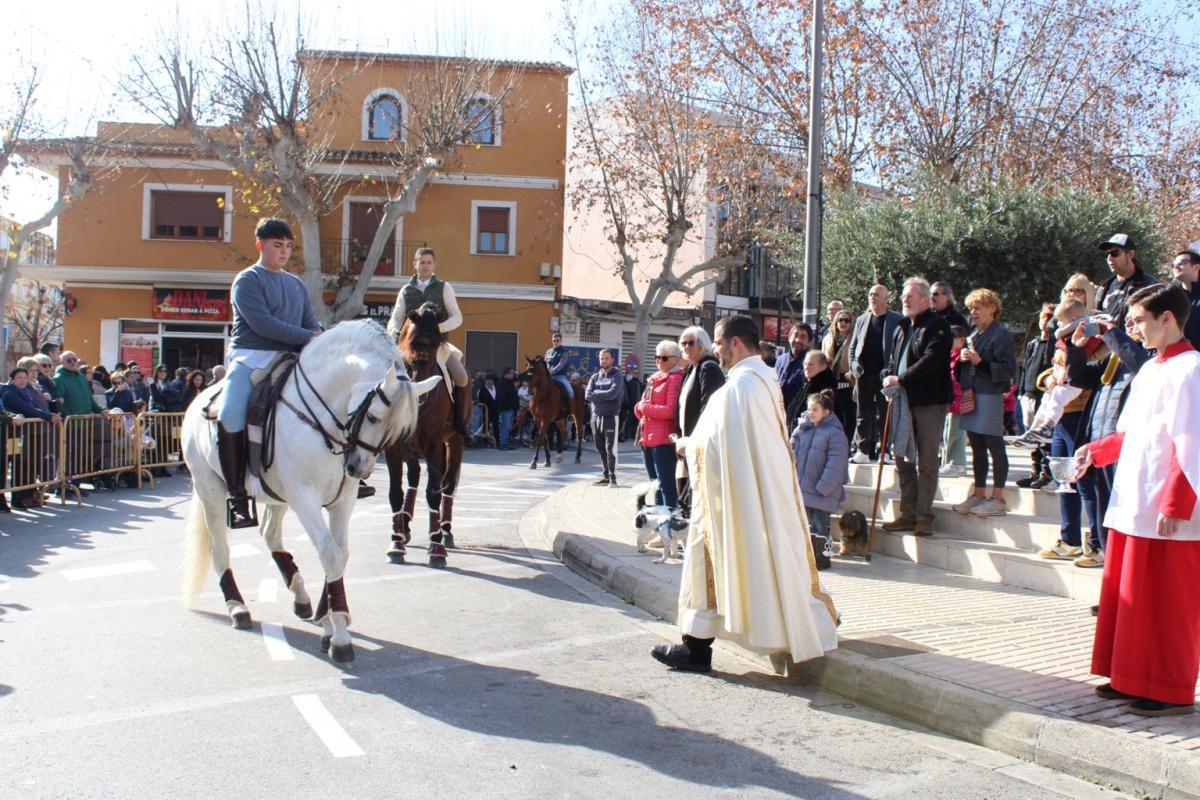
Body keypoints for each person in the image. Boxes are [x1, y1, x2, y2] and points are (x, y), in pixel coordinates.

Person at [651, 315, 838, 673]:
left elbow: (721, 446)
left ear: (736, 342)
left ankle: (695, 650)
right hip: (751, 492)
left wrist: (688, 446)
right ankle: (697, 643)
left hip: (733, 500)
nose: (716, 350)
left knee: (706, 562)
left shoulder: (739, 388)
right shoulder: (763, 378)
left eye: (719, 342)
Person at [1074, 283, 1200, 717]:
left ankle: (1168, 685)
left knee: (1167, 601)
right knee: (1130, 594)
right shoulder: (1149, 369)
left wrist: (1176, 503)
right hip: (1134, 500)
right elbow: (1132, 434)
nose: (1133, 329)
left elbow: (1194, 442)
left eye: (1141, 320)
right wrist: (1097, 452)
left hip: (1167, 505)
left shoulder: (1191, 369)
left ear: (1168, 318)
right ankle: (1129, 674)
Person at [220, 218, 321, 528]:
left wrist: (318, 337)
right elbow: (264, 325)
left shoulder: (296, 284)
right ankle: (238, 496)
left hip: (292, 356)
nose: (284, 252)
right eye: (278, 245)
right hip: (252, 357)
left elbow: (310, 322)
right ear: (259, 244)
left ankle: (341, 475)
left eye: (289, 246)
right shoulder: (247, 280)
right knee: (231, 413)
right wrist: (310, 337)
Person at [880, 278, 953, 537]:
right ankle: (908, 513)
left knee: (927, 460)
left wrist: (901, 378)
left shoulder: (938, 326)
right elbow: (891, 360)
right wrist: (888, 376)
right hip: (902, 401)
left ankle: (924, 516)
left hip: (928, 402)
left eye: (910, 296)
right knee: (902, 458)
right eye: (903, 296)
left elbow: (931, 359)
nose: (905, 300)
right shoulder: (901, 327)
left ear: (925, 299)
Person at [386, 247, 472, 437]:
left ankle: (459, 422)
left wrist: (439, 328)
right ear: (415, 264)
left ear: (434, 265)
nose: (425, 266)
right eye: (421, 262)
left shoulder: (444, 287)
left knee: (462, 377)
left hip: (437, 347)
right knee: (384, 376)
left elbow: (457, 317)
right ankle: (384, 422)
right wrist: (394, 331)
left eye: (428, 262)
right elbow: (396, 317)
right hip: (409, 349)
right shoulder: (406, 290)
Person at [952, 289, 1017, 517]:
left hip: (990, 395)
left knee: (994, 445)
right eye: (971, 308)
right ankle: (979, 494)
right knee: (977, 446)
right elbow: (966, 369)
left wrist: (980, 362)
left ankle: (998, 497)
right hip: (973, 394)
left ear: (992, 308)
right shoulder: (975, 335)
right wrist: (961, 361)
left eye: (979, 307)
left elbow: (1008, 369)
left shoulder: (1000, 334)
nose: (974, 311)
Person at [1014, 297, 1105, 446]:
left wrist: (1067, 359)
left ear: (1074, 319)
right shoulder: (1065, 337)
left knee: (1057, 397)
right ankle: (1035, 430)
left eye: (1061, 322)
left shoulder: (1086, 332)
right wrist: (1051, 375)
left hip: (1074, 384)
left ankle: (1048, 425)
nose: (1058, 325)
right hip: (1059, 379)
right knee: (1046, 401)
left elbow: (1086, 356)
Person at [790, 389, 849, 570]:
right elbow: (791, 453)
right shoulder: (803, 430)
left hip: (822, 490)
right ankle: (807, 557)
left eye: (815, 409)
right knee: (806, 524)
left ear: (827, 412)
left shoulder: (835, 434)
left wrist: (823, 487)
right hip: (804, 488)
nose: (811, 413)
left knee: (820, 524)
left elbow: (836, 464)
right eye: (809, 409)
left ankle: (822, 558)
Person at [849, 284, 902, 463]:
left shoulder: (896, 319)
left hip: (885, 375)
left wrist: (893, 372)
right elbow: (853, 347)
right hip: (863, 374)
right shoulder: (862, 319)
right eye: (871, 293)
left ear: (885, 298)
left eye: (877, 294)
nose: (872, 297)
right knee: (862, 414)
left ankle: (884, 451)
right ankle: (862, 451)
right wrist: (853, 365)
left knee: (886, 413)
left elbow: (899, 346)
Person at [677, 325, 725, 513]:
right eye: (683, 343)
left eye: (691, 343)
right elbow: (681, 406)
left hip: (701, 444)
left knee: (702, 496)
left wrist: (693, 440)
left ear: (702, 344)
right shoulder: (692, 369)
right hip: (687, 442)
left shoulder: (708, 368)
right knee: (688, 492)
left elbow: (708, 410)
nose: (686, 347)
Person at [634, 340, 684, 511]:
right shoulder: (654, 378)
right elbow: (640, 405)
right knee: (655, 487)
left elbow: (670, 411)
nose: (658, 361)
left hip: (663, 441)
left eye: (663, 358)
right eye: (656, 357)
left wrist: (643, 408)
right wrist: (640, 408)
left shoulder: (675, 378)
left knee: (667, 489)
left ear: (676, 359)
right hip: (647, 440)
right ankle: (659, 528)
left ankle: (670, 528)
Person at [1014, 304, 1057, 488]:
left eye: (1049, 317)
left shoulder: (1054, 344)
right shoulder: (1033, 343)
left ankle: (1046, 473)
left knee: (1044, 438)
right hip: (1029, 395)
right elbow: (1026, 369)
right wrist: (1022, 391)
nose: (1044, 321)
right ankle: (1034, 470)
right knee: (1031, 436)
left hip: (1044, 395)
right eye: (1043, 317)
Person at [1095, 234, 1158, 327]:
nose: (1109, 258)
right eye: (1107, 254)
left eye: (1115, 253)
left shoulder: (1148, 286)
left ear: (1130, 254)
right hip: (1106, 340)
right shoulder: (1104, 288)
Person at [584, 349, 623, 486]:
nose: (603, 361)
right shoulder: (595, 377)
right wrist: (602, 394)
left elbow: (613, 394)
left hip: (610, 417)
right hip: (595, 417)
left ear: (612, 359)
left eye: (606, 358)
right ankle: (605, 476)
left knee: (610, 449)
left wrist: (597, 393)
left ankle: (613, 478)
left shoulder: (617, 376)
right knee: (600, 449)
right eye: (601, 358)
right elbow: (587, 395)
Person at [939, 325, 970, 478]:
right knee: (947, 433)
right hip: (949, 400)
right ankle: (950, 462)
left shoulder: (962, 356)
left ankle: (956, 463)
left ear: (961, 339)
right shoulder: (949, 355)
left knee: (955, 433)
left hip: (958, 400)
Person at [822, 309, 856, 442]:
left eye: (847, 320)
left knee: (849, 414)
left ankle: (846, 443)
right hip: (832, 381)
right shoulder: (828, 338)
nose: (843, 323)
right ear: (836, 322)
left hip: (848, 380)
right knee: (833, 413)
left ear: (851, 323)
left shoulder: (855, 338)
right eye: (840, 320)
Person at [775, 323, 813, 425]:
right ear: (789, 337)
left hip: (801, 422)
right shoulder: (779, 360)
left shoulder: (813, 362)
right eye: (795, 335)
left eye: (803, 337)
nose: (798, 340)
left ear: (809, 342)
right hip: (778, 418)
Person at [1170, 249, 1200, 349]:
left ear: (1196, 267)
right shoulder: (1171, 296)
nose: (1176, 267)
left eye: (1182, 263)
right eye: (1173, 265)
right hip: (1182, 356)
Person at [543, 333, 574, 402]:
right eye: (554, 340)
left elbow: (560, 365)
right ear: (552, 341)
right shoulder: (548, 352)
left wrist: (550, 372)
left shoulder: (564, 352)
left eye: (557, 340)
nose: (556, 342)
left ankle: (571, 411)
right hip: (548, 377)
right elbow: (544, 363)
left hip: (560, 376)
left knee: (570, 391)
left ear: (561, 341)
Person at [495, 367, 519, 451]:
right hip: (506, 408)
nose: (513, 375)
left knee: (508, 426)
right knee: (505, 426)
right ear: (507, 374)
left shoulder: (509, 382)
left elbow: (516, 379)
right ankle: (503, 444)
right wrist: (508, 406)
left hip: (510, 408)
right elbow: (502, 397)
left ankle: (506, 443)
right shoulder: (502, 383)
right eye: (511, 373)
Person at [475, 373, 501, 447]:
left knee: (496, 426)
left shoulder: (496, 388)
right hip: (486, 411)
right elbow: (481, 401)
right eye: (488, 380)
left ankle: (497, 441)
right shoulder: (482, 390)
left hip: (496, 411)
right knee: (486, 426)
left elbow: (498, 398)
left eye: (491, 380)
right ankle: (485, 441)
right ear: (485, 381)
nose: (489, 382)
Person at [620, 365, 643, 442]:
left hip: (639, 407)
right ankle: (626, 435)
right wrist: (628, 404)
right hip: (630, 406)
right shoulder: (629, 383)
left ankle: (634, 435)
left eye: (637, 373)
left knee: (636, 422)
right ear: (633, 374)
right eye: (635, 373)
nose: (636, 374)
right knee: (628, 421)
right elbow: (627, 394)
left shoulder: (640, 384)